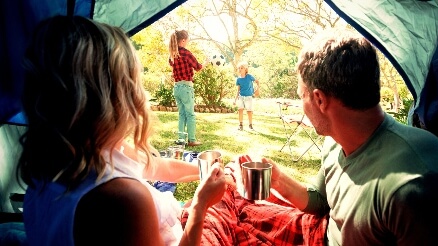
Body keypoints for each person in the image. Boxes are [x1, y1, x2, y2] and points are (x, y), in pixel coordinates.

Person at [261, 30, 438, 245]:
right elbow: (323, 201)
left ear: (319, 100)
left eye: (302, 96)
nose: (302, 105)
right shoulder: (335, 143)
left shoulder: (415, 189)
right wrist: (279, 180)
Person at [18, 15, 226, 246]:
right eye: (132, 81)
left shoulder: (58, 163)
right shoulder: (123, 200)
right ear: (111, 98)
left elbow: (160, 166)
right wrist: (199, 205)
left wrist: (206, 171)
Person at [168, 29, 208, 146]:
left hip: (177, 87)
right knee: (190, 114)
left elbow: (173, 70)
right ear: (183, 40)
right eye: (188, 39)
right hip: (186, 87)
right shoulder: (186, 53)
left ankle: (181, 139)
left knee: (181, 114)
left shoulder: (172, 55)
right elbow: (198, 67)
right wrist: (205, 62)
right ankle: (191, 139)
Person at [233, 61, 259, 131]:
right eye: (239, 68)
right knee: (240, 110)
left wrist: (257, 89)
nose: (240, 69)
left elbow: (257, 81)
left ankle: (250, 125)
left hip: (248, 97)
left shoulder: (249, 76)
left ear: (245, 69)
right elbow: (238, 90)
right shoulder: (238, 79)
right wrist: (235, 100)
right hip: (241, 97)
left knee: (249, 111)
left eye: (242, 68)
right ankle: (240, 125)